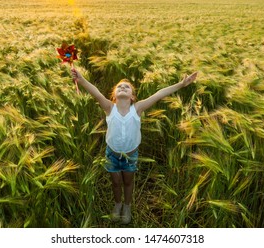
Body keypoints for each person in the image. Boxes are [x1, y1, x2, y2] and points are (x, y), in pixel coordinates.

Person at [71, 68, 197, 224]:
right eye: (119, 87)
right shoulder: (109, 108)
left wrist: (181, 84)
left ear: (132, 96)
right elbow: (96, 93)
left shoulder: (137, 109)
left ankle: (127, 205)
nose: (123, 87)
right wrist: (81, 80)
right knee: (116, 182)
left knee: (128, 182)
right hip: (112, 154)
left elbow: (159, 94)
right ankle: (118, 204)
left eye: (127, 87)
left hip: (131, 155)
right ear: (114, 96)